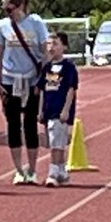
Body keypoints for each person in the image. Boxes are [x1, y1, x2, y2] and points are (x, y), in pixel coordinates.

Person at [0, 0, 51, 185]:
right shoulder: (2, 27)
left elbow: (44, 53)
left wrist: (42, 80)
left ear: (20, 6)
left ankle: (32, 169)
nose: (7, 13)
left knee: (30, 124)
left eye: (10, 9)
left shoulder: (36, 24)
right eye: (4, 9)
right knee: (13, 125)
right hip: (10, 79)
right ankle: (18, 169)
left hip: (31, 79)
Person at [38, 32, 79, 188]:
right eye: (49, 44)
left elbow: (71, 89)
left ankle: (53, 172)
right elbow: (42, 89)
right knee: (54, 141)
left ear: (64, 47)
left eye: (55, 44)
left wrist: (66, 110)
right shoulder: (47, 68)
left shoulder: (69, 68)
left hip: (60, 111)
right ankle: (61, 170)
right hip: (48, 110)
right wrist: (40, 110)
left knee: (56, 142)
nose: (51, 47)